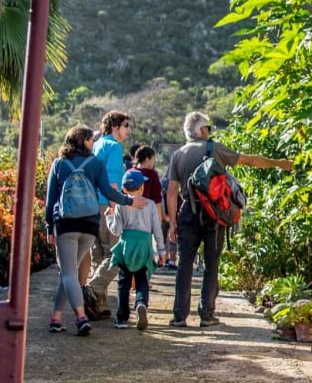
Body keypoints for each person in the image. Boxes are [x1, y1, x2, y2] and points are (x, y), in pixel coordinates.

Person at [163, 111, 292, 328]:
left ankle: (179, 316)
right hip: (214, 215)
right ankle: (207, 315)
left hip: (187, 214)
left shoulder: (178, 154)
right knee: (211, 264)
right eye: (209, 128)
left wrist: (173, 224)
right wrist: (278, 163)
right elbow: (248, 160)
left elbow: (172, 192)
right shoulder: (215, 149)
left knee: (184, 264)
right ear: (202, 130)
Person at [44, 125, 144, 336]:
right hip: (89, 224)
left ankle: (80, 317)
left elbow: (51, 199)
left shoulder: (59, 164)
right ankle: (56, 317)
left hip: (66, 223)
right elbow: (107, 191)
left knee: (68, 272)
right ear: (86, 141)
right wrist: (128, 201)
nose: (93, 143)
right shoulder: (96, 164)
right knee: (68, 271)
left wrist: (48, 226)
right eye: (91, 140)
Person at [84, 110, 134, 316]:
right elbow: (113, 183)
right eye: (126, 126)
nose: (128, 131)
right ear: (115, 126)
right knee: (116, 255)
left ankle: (97, 306)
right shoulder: (114, 147)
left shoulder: (96, 145)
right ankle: (91, 290)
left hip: (89, 205)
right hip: (107, 205)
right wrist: (115, 209)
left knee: (99, 254)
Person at [105, 169, 165, 330]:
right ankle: (141, 303)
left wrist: (109, 216)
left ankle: (122, 318)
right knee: (142, 280)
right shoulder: (151, 205)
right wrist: (161, 251)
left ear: (124, 190)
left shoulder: (121, 205)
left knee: (123, 283)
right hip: (144, 246)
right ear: (142, 188)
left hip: (126, 245)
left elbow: (116, 231)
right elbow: (157, 229)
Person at [134, 145, 174, 268]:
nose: (153, 162)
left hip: (131, 213)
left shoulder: (130, 172)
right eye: (153, 159)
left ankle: (133, 276)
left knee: (135, 244)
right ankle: (145, 274)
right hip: (147, 214)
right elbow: (157, 199)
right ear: (147, 159)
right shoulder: (152, 175)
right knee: (147, 245)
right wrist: (159, 217)